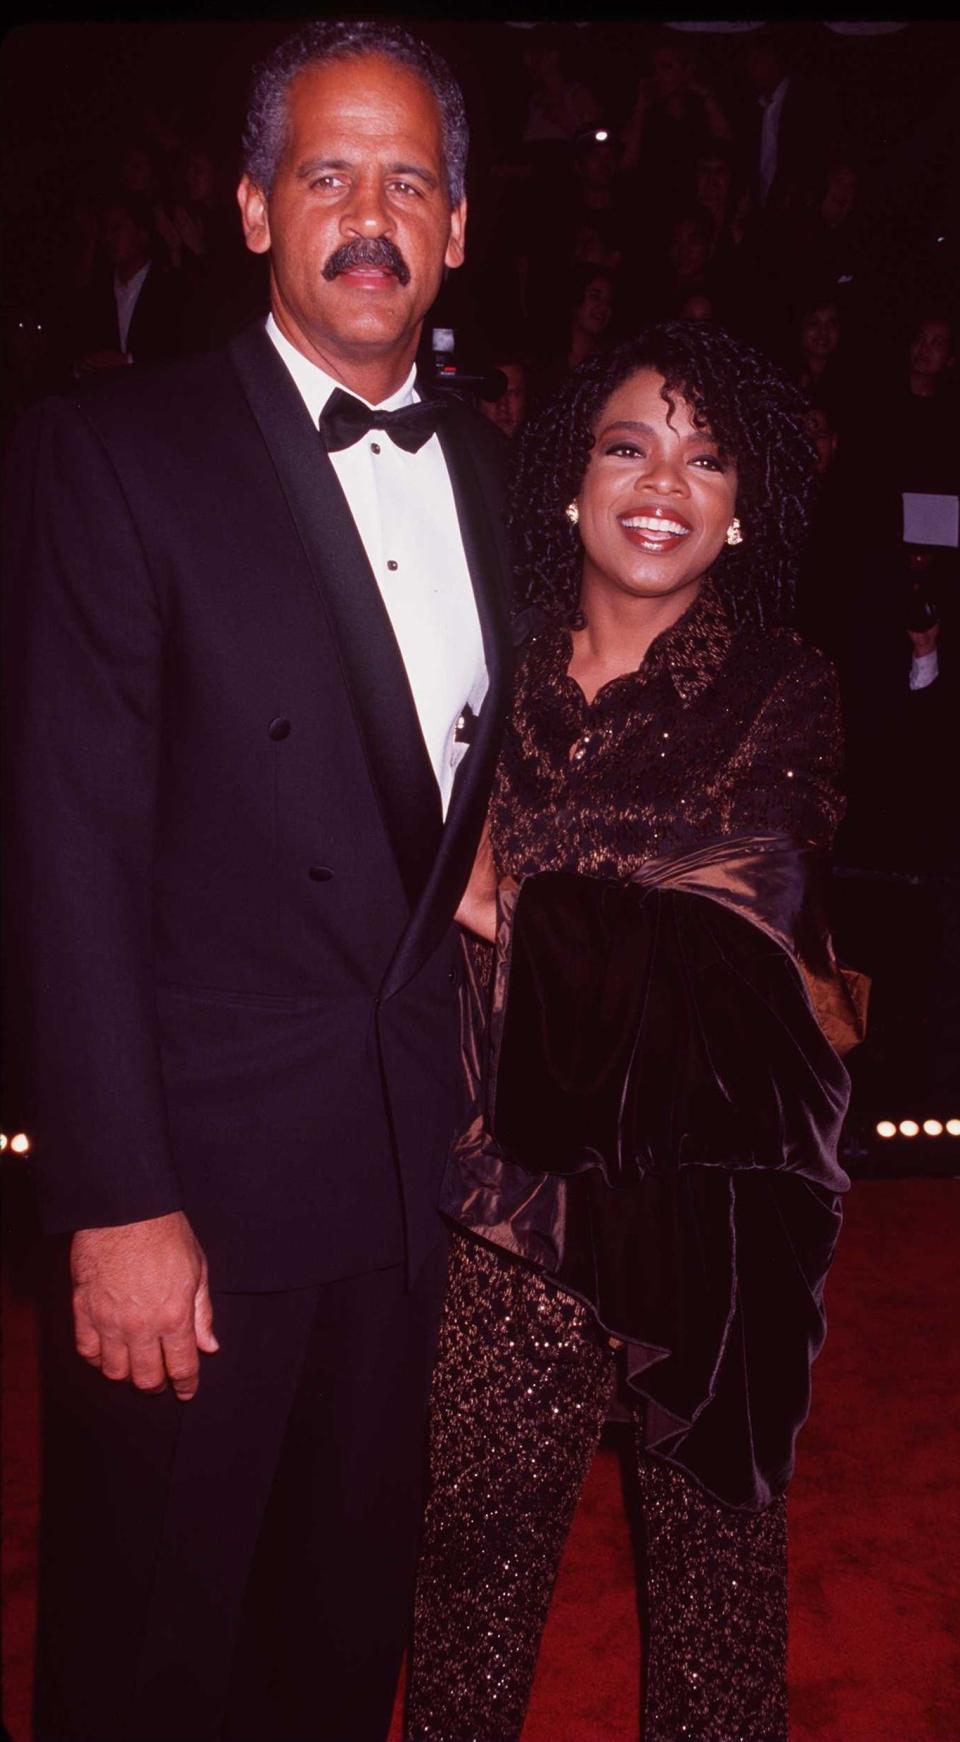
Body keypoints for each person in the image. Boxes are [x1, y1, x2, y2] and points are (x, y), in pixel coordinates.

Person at [2, 20, 512, 1742]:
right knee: (150, 1669)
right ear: (247, 209)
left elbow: (442, 803)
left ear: (458, 225)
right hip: (194, 1222)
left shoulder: (497, 479)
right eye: (325, 177)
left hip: (406, 1199)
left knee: (336, 1648)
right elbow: (64, 846)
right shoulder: (115, 453)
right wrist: (113, 1198)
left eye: (408, 182)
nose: (369, 216)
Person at [405, 321, 860, 1742]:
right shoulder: (487, 675)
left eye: (707, 456)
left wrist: (482, 893)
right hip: (497, 1218)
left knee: (718, 1629)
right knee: (464, 1612)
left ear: (738, 513)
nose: (664, 480)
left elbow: (727, 960)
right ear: (568, 484)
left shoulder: (782, 686)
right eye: (630, 443)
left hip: (703, 1225)